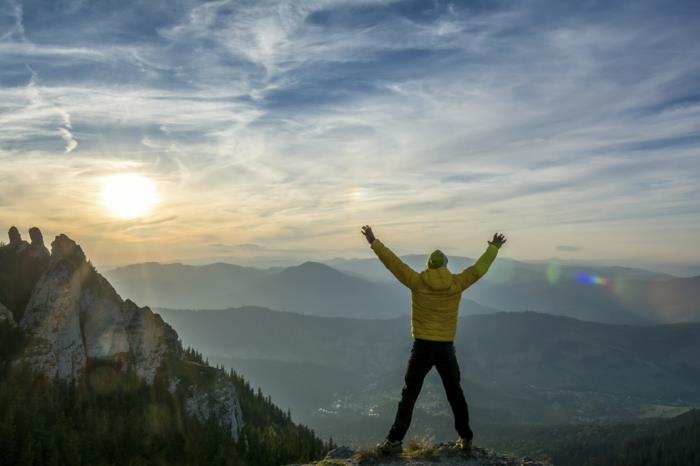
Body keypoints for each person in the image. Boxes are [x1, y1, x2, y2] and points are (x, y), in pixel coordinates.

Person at [360, 225, 506, 455]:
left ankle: (394, 441)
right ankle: (465, 437)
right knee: (454, 392)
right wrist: (494, 248)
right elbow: (480, 269)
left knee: (409, 395)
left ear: (429, 265)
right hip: (445, 348)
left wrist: (374, 242)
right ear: (446, 266)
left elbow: (394, 264)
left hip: (421, 348)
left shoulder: (417, 281)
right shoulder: (457, 283)